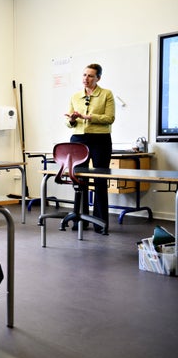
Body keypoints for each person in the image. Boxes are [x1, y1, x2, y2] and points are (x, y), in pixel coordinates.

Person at [64, 63, 115, 233]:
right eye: (84, 75)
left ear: (98, 78)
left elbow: (110, 118)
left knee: (100, 180)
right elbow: (69, 122)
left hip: (100, 139)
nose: (86, 78)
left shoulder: (106, 94)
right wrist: (72, 119)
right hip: (78, 139)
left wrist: (88, 117)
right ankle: (80, 220)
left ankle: (100, 223)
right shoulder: (75, 96)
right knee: (79, 180)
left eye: (91, 76)